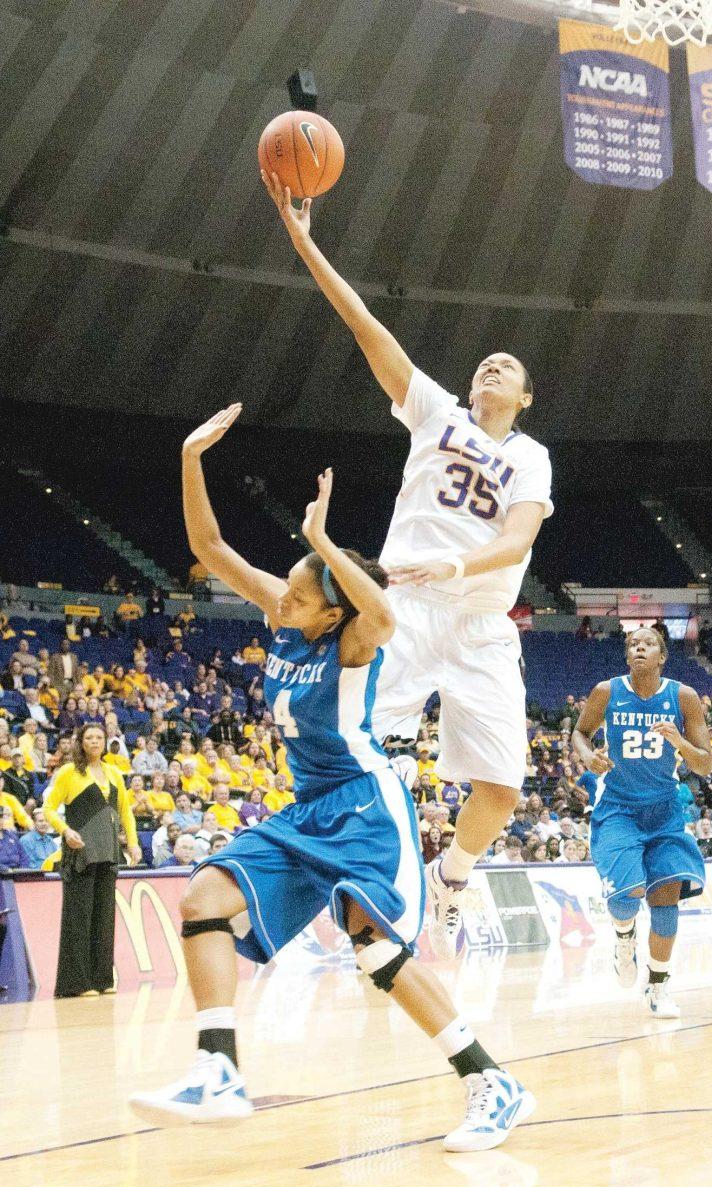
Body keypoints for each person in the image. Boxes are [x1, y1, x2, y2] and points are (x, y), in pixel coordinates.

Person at [128, 408, 534, 1150]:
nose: (282, 599)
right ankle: (218, 1070)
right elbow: (209, 546)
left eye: (299, 593)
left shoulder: (358, 643)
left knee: (375, 951)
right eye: (285, 587)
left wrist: (320, 541)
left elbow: (378, 608)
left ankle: (489, 1082)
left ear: (331, 614)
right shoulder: (288, 620)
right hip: (309, 806)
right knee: (203, 899)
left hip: (364, 807)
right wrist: (189, 459)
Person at [263, 172, 553, 962]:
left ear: (525, 397)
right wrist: (304, 242)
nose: (491, 366)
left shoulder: (531, 456)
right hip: (403, 611)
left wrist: (460, 569)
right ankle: (327, 877)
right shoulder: (434, 410)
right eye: (484, 362)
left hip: (479, 618)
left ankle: (454, 878)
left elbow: (519, 540)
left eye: (507, 366)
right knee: (351, 752)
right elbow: (364, 326)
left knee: (501, 789)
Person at [572, 627, 712, 1018]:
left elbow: (704, 763)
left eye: (647, 643)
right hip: (618, 807)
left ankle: (658, 986)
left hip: (664, 809)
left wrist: (679, 742)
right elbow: (580, 733)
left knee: (666, 895)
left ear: (661, 657)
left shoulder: (683, 697)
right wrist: (586, 756)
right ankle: (623, 936)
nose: (639, 648)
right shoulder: (607, 691)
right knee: (626, 895)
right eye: (633, 644)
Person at [42, 724, 141, 997]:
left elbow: (125, 812)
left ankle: (102, 979)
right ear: (81, 742)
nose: (95, 742)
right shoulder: (68, 772)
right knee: (79, 918)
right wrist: (66, 830)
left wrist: (132, 842)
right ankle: (77, 983)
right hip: (80, 853)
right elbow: (48, 809)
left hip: (108, 852)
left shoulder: (113, 773)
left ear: (105, 741)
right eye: (89, 738)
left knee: (103, 917)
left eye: (99, 737)